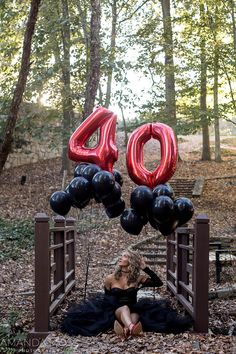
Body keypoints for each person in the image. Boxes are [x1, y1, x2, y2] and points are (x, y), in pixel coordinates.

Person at [61, 248, 193, 338]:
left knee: (135, 313)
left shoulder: (138, 278)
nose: (121, 258)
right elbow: (107, 298)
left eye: (124, 256)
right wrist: (110, 309)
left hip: (133, 309)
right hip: (115, 310)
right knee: (124, 308)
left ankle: (127, 328)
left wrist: (145, 268)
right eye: (122, 255)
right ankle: (130, 326)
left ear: (131, 261)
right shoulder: (110, 278)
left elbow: (158, 282)